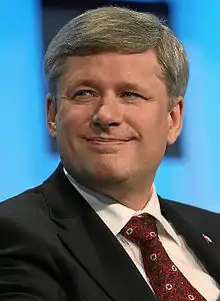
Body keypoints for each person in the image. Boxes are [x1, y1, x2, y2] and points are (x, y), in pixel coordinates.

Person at [0, 6, 219, 301]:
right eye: (84, 93)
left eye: (130, 94)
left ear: (173, 118)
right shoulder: (14, 233)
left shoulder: (213, 228)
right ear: (53, 115)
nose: (106, 115)